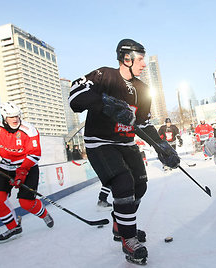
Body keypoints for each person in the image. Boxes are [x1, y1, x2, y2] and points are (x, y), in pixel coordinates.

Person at [69, 38, 180, 265]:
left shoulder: (143, 89)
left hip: (126, 143)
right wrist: (106, 103)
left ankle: (121, 225)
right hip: (100, 142)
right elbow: (75, 98)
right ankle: (129, 239)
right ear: (126, 58)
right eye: (140, 59)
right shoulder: (104, 76)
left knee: (140, 185)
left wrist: (162, 146)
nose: (143, 64)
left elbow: (144, 124)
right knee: (122, 184)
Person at [0, 102, 54, 242]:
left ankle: (44, 214)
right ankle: (13, 227)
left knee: (26, 203)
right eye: (11, 117)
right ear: (4, 117)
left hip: (28, 167)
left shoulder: (29, 130)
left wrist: (22, 171)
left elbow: (35, 153)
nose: (15, 119)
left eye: (17, 116)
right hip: (6, 168)